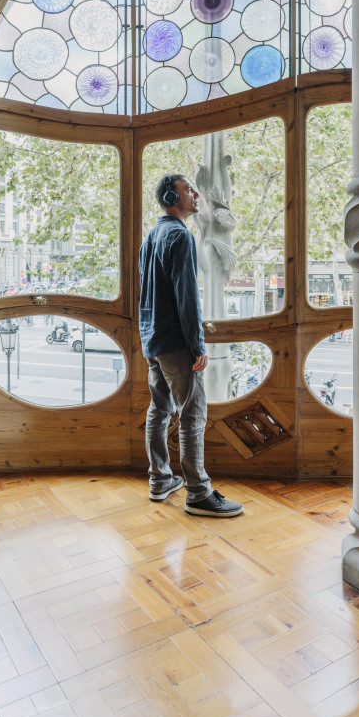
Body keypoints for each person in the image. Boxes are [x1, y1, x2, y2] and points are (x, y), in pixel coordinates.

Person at [138, 173, 243, 517]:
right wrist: (197, 344)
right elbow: (187, 298)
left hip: (153, 340)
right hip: (176, 343)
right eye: (188, 189)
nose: (196, 193)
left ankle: (160, 480)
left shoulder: (151, 237)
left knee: (159, 409)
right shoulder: (180, 236)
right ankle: (198, 492)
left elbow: (148, 295)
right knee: (192, 415)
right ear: (172, 196)